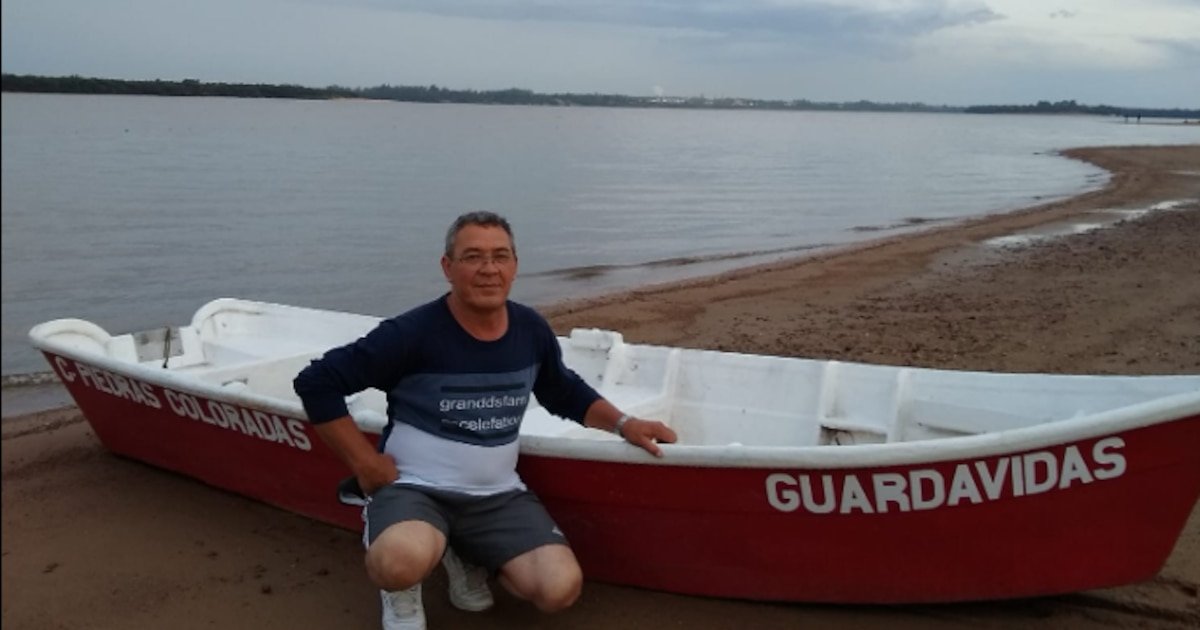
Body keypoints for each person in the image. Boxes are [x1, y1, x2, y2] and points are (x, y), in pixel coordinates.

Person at [293, 211, 677, 629]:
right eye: (473, 256)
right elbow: (317, 382)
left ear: (515, 265)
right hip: (416, 487)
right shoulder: (411, 333)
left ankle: (462, 551)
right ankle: (401, 589)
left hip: (497, 496)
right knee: (397, 563)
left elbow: (562, 391)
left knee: (558, 589)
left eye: (500, 256)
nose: (489, 269)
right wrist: (365, 464)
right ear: (448, 267)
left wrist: (624, 424)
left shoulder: (530, 329)